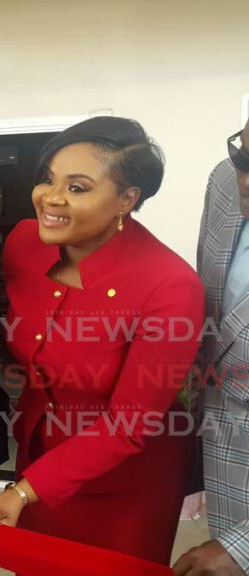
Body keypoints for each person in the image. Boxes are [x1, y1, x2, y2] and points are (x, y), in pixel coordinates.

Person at [0, 116, 204, 568]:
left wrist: (25, 489)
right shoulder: (25, 243)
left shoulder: (171, 286)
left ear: (127, 199)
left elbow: (130, 423)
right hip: (37, 456)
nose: (51, 198)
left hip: (124, 485)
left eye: (77, 188)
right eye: (47, 180)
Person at [174, 118, 249, 576]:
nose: (246, 178)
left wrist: (243, 548)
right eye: (243, 156)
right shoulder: (224, 182)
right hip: (224, 457)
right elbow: (212, 334)